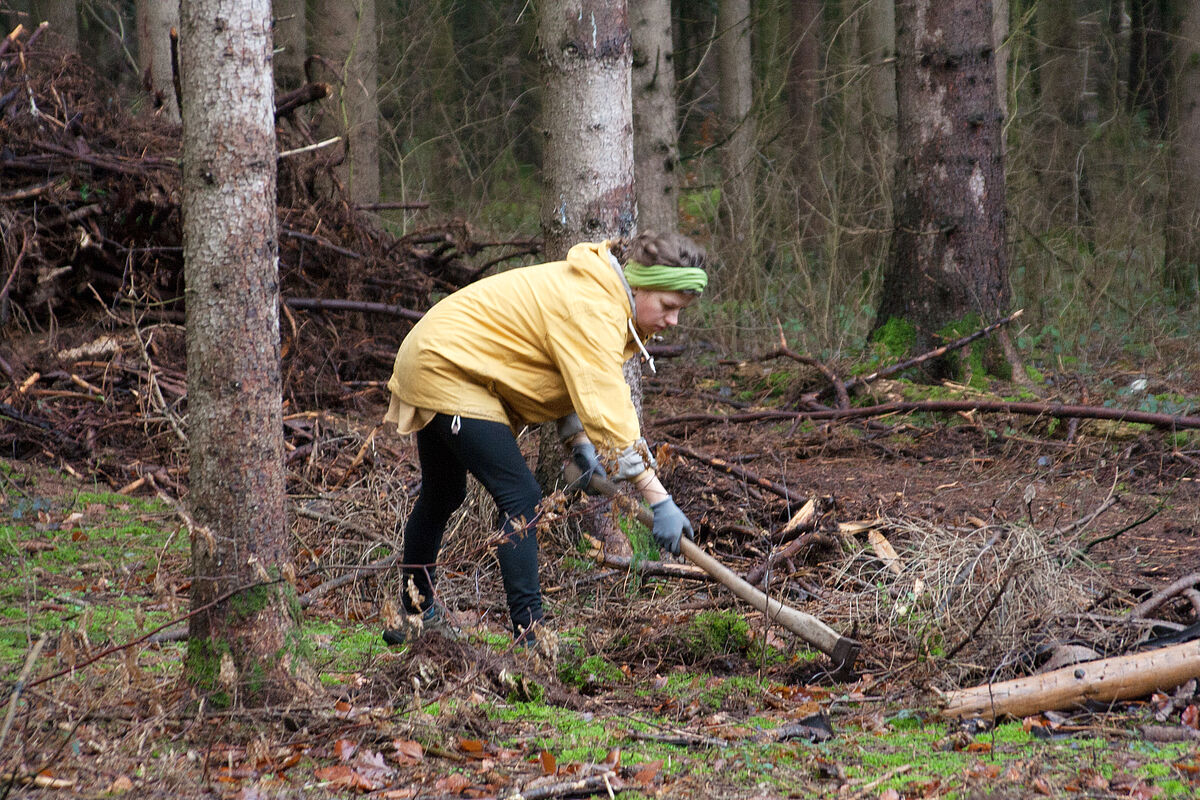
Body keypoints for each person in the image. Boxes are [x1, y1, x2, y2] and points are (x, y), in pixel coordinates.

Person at [381, 231, 708, 645]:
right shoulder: (595, 308)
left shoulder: (600, 298)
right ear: (640, 284)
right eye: (668, 306)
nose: (673, 320)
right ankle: (531, 638)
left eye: (680, 311)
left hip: (436, 357)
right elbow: (610, 407)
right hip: (448, 367)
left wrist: (581, 446)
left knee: (443, 494)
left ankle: (412, 618)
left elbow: (573, 380)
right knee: (522, 500)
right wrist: (659, 500)